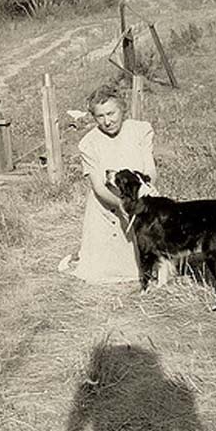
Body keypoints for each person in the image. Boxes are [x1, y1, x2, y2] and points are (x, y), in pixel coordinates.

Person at [60, 81, 157, 284]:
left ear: (122, 109)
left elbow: (150, 170)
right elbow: (98, 187)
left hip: (140, 201)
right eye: (100, 116)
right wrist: (122, 205)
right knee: (103, 271)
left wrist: (144, 198)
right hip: (107, 207)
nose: (107, 121)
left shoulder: (141, 131)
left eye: (111, 113)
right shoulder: (89, 143)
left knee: (150, 257)